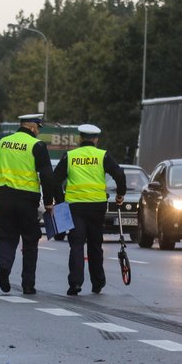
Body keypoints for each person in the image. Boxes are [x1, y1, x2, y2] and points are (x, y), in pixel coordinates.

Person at [53, 124, 126, 296]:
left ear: (80, 139)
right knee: (95, 244)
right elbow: (119, 174)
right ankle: (98, 282)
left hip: (75, 207)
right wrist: (120, 194)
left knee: (76, 245)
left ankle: (76, 283)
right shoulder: (102, 156)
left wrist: (60, 201)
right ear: (96, 139)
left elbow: (55, 180)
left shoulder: (70, 156)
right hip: (97, 206)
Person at [0, 114, 55, 295]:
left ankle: (4, 267)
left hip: (5, 199)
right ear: (32, 127)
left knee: (8, 237)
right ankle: (28, 284)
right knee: (30, 241)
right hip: (27, 201)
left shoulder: (1, 143)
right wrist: (48, 202)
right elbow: (47, 176)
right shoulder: (36, 146)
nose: (38, 131)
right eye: (38, 127)